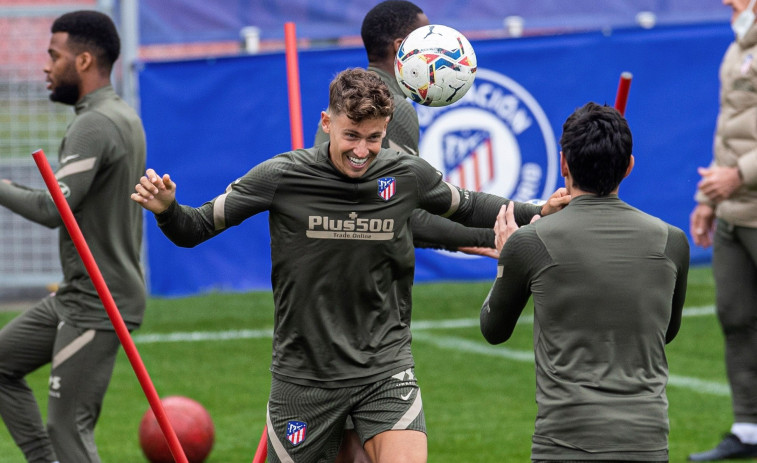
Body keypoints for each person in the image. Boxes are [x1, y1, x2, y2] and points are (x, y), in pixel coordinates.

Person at [132, 68, 569, 463]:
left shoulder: (406, 174)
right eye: (352, 135)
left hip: (384, 367)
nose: (363, 151)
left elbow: (470, 206)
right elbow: (193, 228)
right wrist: (168, 209)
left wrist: (537, 212)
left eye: (374, 138)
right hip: (305, 378)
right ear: (327, 124)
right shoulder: (281, 176)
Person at [480, 102, 689, 462]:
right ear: (629, 166)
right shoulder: (672, 241)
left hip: (563, 444)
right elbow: (665, 331)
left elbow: (493, 328)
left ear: (564, 163)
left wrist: (506, 256)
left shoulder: (529, 242)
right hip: (648, 443)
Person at [0, 10, 146, 463]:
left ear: (83, 61)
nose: (45, 66)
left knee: (68, 427)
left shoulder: (96, 123)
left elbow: (51, 210)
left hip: (102, 300)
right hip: (80, 291)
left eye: (53, 55)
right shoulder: (115, 114)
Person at [315, 0, 498, 259]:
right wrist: (497, 235)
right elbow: (407, 214)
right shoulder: (395, 109)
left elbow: (383, 211)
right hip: (359, 274)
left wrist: (457, 241)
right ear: (401, 47)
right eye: (426, 37)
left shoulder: (344, 104)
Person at [688, 0, 757, 460]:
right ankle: (748, 429)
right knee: (735, 317)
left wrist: (741, 174)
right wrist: (708, 199)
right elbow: (727, 129)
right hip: (734, 210)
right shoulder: (739, 40)